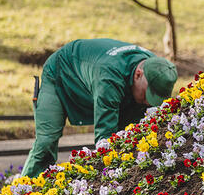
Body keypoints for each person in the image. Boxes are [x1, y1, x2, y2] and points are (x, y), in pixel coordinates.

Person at [22, 39, 178, 178]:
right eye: (146, 95)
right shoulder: (109, 77)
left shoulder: (158, 69)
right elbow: (104, 139)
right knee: (46, 141)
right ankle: (22, 191)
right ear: (138, 74)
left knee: (129, 136)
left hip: (101, 81)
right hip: (61, 72)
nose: (148, 103)